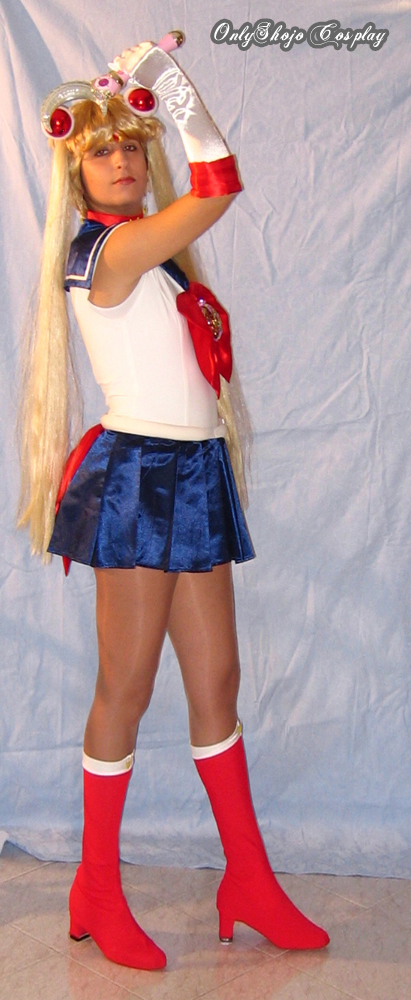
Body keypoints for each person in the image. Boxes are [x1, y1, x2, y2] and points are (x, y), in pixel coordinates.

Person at [18, 37, 330, 970]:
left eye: (129, 145)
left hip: (193, 471)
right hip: (137, 478)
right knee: (125, 686)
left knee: (216, 682)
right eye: (100, 150)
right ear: (76, 172)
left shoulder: (158, 257)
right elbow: (219, 185)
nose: (120, 159)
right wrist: (167, 87)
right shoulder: (105, 252)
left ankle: (249, 879)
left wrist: (158, 89)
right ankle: (96, 886)